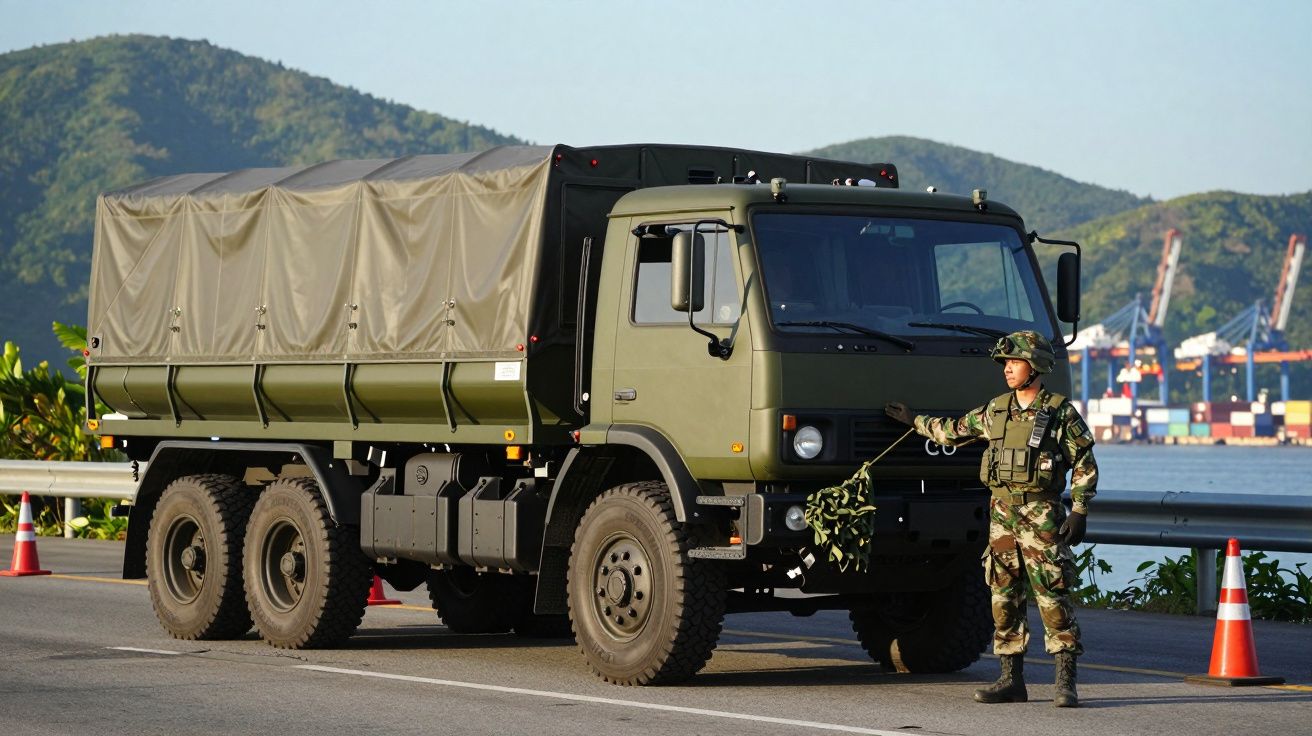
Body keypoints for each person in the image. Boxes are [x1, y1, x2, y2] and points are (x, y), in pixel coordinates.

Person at [885, 330, 1097, 708]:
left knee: (1052, 598)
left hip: (1042, 514)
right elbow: (952, 432)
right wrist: (915, 421)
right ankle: (1010, 680)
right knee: (1003, 599)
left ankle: (1065, 683)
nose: (1007, 370)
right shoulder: (995, 410)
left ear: (1035, 366)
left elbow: (1084, 463)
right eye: (1005, 364)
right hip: (1002, 517)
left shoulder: (1060, 412)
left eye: (1014, 363)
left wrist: (1079, 509)